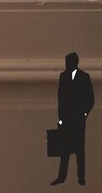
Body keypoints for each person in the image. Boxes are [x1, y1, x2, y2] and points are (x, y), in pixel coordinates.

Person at [55, 52, 93, 186]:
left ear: (74, 63)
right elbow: (60, 99)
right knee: (64, 149)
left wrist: (84, 114)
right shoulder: (63, 76)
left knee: (80, 149)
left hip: (78, 120)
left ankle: (81, 177)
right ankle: (61, 177)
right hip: (66, 119)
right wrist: (60, 118)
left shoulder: (84, 77)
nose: (66, 64)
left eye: (68, 62)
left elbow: (90, 98)